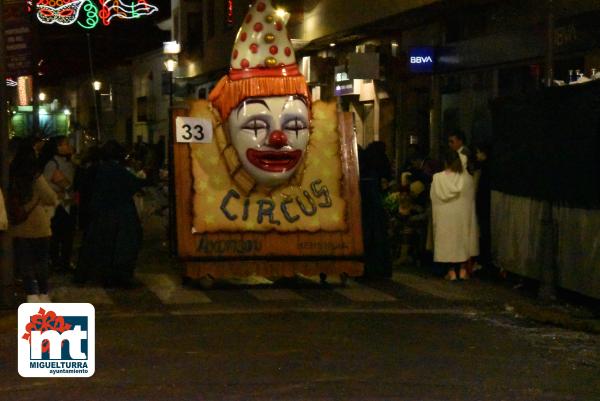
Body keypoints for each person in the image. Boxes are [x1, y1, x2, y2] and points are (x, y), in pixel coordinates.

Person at [77, 141, 147, 287]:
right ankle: (118, 276)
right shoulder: (118, 170)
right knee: (122, 246)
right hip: (120, 213)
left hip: (99, 211)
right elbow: (134, 184)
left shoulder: (96, 169)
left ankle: (95, 274)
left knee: (99, 244)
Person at [8, 142, 58, 302]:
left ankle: (31, 294)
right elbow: (50, 197)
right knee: (41, 260)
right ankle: (43, 293)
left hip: (18, 224)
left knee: (24, 261)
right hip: (38, 224)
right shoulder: (35, 176)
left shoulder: (10, 175)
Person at [430, 149, 478, 280]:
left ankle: (451, 271)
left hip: (444, 218)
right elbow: (470, 200)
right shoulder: (467, 179)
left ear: (444, 161)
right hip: (462, 218)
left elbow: (434, 198)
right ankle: (462, 270)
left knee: (447, 240)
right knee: (462, 238)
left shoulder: (437, 178)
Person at [40, 136, 76, 272]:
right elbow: (46, 184)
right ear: (57, 147)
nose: (68, 146)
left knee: (67, 235)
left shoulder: (68, 162)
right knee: (57, 235)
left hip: (67, 202)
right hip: (57, 204)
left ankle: (64, 262)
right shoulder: (52, 164)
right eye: (65, 144)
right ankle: (56, 261)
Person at [359, 141, 393, 279]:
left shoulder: (364, 162)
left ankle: (366, 268)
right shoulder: (380, 160)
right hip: (375, 203)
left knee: (366, 235)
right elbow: (387, 174)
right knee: (378, 235)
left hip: (364, 203)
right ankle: (379, 268)